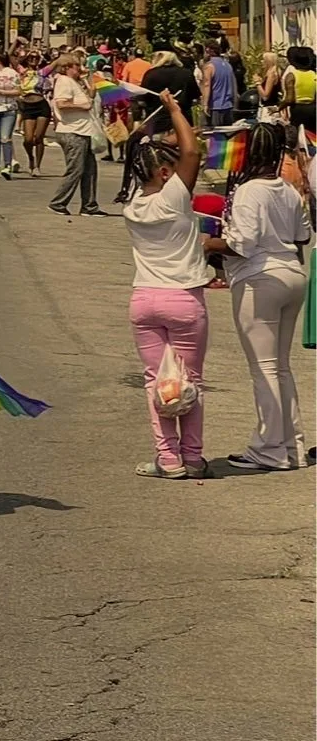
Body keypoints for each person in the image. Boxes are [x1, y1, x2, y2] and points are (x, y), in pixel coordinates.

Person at [205, 122, 310, 471]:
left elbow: (242, 244)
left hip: (260, 278)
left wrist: (205, 241)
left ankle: (269, 448)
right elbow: (302, 237)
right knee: (279, 366)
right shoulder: (288, 189)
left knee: (264, 369)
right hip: (293, 276)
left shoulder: (250, 190)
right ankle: (291, 444)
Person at [119, 92, 209, 478]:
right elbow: (192, 154)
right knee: (189, 381)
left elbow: (143, 149)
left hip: (144, 299)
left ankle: (167, 458)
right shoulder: (173, 198)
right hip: (184, 298)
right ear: (165, 173)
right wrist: (175, 110)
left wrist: (151, 132)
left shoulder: (134, 202)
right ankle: (192, 456)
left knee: (156, 382)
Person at [46, 56, 103, 218]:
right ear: (66, 67)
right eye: (77, 66)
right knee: (76, 169)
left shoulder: (75, 82)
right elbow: (61, 104)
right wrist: (82, 106)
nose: (80, 68)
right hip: (72, 131)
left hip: (84, 131)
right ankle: (58, 202)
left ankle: (89, 205)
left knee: (90, 170)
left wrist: (88, 77)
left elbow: (91, 94)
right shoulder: (64, 81)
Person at [16, 54, 50, 175]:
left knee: (39, 137)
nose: (33, 60)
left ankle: (37, 167)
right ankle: (31, 158)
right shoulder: (21, 71)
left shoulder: (42, 72)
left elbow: (57, 63)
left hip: (41, 105)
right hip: (28, 106)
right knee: (28, 139)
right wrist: (17, 42)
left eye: (36, 58)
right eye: (31, 57)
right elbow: (9, 54)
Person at [201, 39, 238, 130]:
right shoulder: (227, 65)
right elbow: (233, 84)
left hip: (215, 106)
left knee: (213, 135)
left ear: (208, 51)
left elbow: (207, 85)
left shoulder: (209, 66)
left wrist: (205, 104)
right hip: (228, 105)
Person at [283, 46, 317, 137]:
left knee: (298, 138)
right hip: (313, 109)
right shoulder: (314, 74)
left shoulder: (292, 75)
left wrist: (279, 107)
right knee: (313, 136)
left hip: (298, 110)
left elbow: (289, 99)